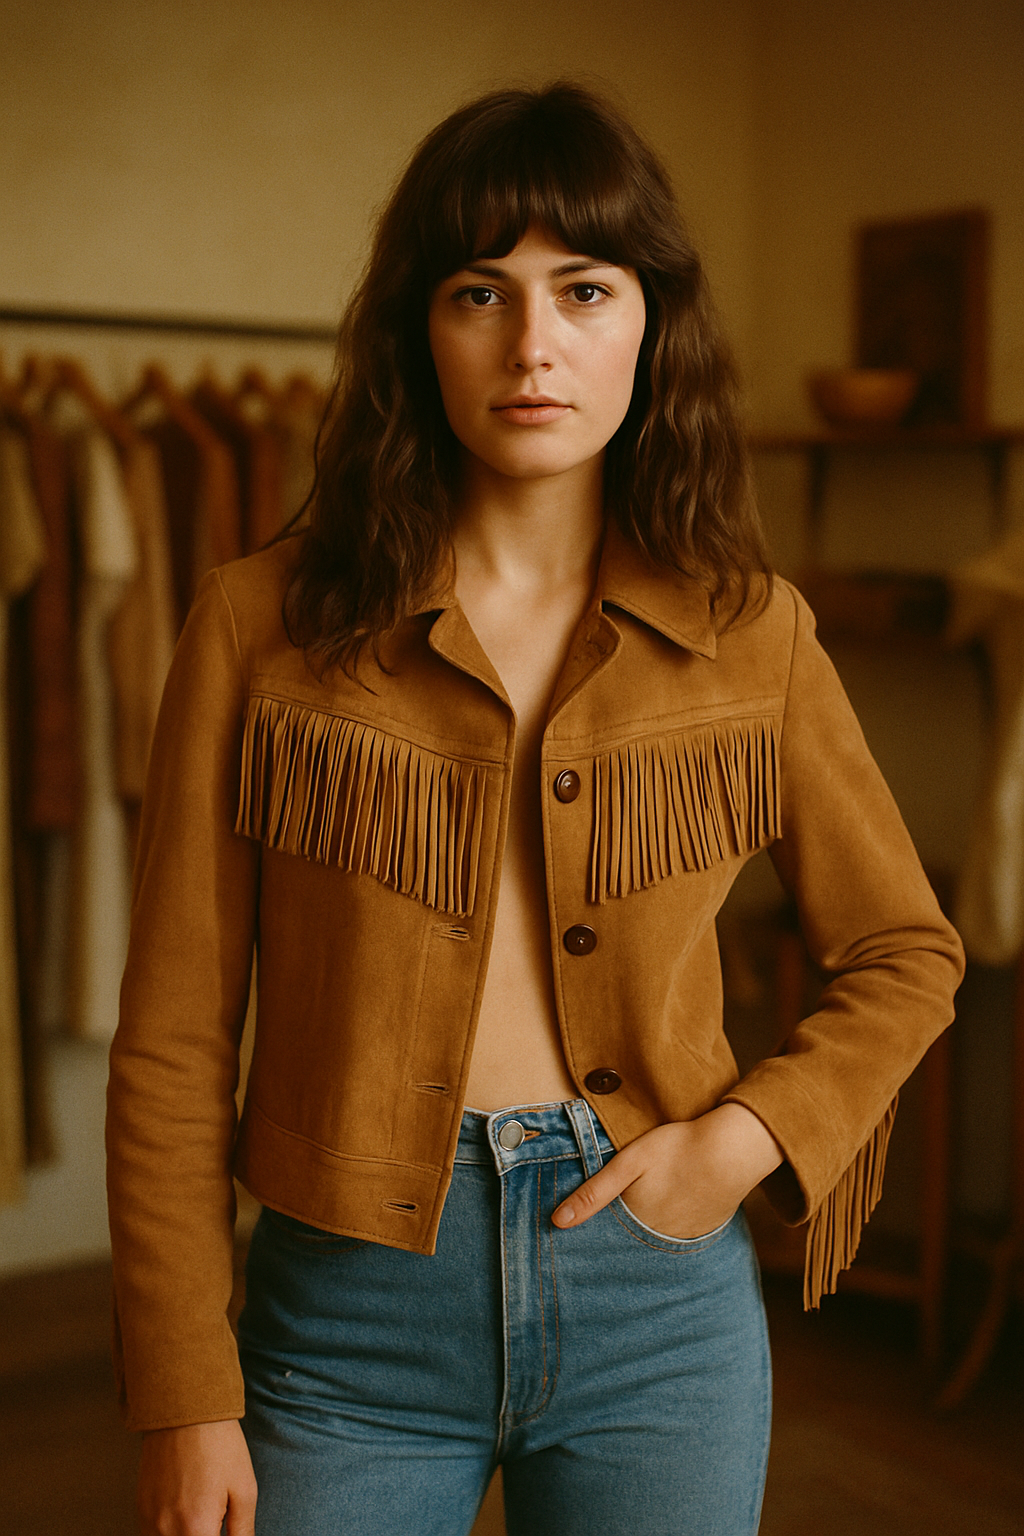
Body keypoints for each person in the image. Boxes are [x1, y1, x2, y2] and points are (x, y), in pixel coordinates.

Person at [106, 83, 964, 1536]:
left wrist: (740, 1141)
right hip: (345, 1326)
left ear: (651, 322)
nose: (532, 345)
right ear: (415, 334)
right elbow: (176, 1042)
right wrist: (186, 1395)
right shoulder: (260, 625)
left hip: (659, 1306)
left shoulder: (754, 634)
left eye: (582, 288)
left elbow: (906, 953)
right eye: (476, 293)